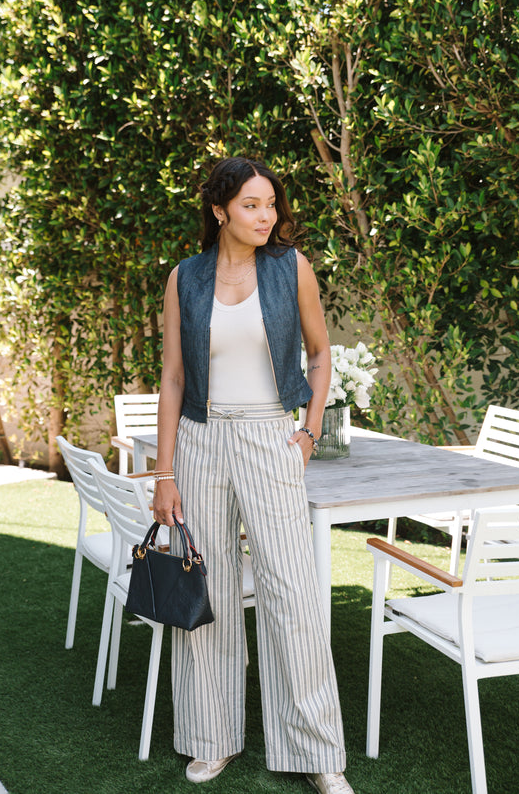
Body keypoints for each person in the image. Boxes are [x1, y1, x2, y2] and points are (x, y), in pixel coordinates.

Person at [153, 156, 354, 794]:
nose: (265, 216)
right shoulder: (184, 278)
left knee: (292, 594)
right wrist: (164, 473)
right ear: (219, 211)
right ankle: (211, 737)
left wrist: (307, 431)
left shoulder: (290, 267)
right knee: (207, 592)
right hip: (201, 440)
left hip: (272, 435)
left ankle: (318, 751)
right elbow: (173, 378)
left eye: (270, 204)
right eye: (250, 205)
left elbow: (321, 353)